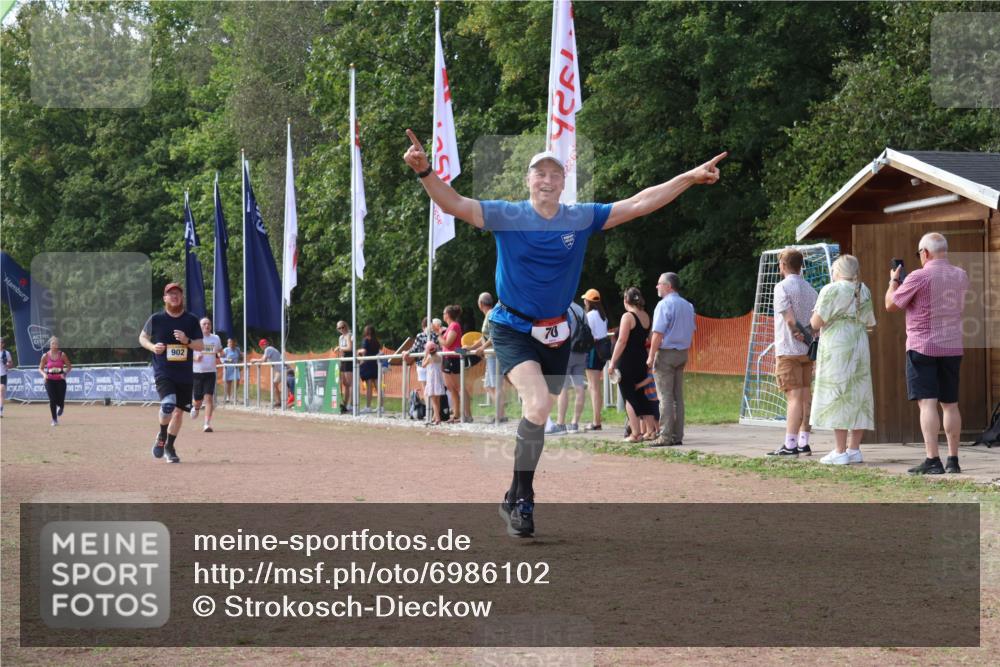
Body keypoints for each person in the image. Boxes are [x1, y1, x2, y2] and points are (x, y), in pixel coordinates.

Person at [404, 128, 725, 537]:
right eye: (540, 173)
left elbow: (640, 203)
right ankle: (523, 500)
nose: (547, 180)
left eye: (555, 174)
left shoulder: (581, 217)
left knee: (536, 414)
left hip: (556, 332)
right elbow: (454, 202)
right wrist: (425, 171)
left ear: (563, 182)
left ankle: (512, 495)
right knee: (538, 406)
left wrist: (690, 176)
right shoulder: (507, 214)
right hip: (511, 326)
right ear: (528, 181)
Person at [886, 232, 970, 475]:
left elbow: (891, 305)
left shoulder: (918, 276)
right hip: (952, 345)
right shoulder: (961, 275)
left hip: (923, 346)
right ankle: (953, 460)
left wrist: (894, 281)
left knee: (927, 404)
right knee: (951, 404)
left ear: (924, 253)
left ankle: (932, 459)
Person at [808, 255, 876, 464]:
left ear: (837, 271)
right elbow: (870, 321)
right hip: (859, 342)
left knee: (838, 392)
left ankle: (839, 451)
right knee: (859, 392)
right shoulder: (863, 289)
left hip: (837, 344)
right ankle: (854, 449)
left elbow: (816, 322)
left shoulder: (831, 289)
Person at [138, 283, 204, 463]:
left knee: (178, 413)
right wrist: (153, 347)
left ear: (182, 298)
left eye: (178, 294)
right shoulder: (156, 319)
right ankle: (161, 436)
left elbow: (200, 345)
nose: (174, 297)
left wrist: (186, 340)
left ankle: (169, 446)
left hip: (184, 373)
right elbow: (142, 337)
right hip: (163, 370)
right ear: (165, 298)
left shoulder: (191, 320)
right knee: (168, 404)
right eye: (171, 294)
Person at [766, 249, 819, 457]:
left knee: (794, 398)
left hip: (788, 349)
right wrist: (808, 337)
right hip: (808, 350)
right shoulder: (811, 289)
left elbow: (788, 319)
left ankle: (790, 444)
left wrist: (799, 333)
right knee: (806, 395)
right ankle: (804, 442)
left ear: (783, 265)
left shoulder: (782, 287)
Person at [647, 273, 696, 447]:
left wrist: (651, 356)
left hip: (666, 353)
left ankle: (665, 435)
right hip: (682, 352)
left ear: (668, 286)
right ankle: (677, 435)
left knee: (665, 396)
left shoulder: (664, 305)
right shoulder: (688, 306)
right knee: (677, 396)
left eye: (659, 284)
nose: (657, 287)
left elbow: (658, 333)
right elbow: (692, 329)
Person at [610, 287, 658, 442]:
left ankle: (635, 433)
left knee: (628, 397)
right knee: (641, 396)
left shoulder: (627, 317)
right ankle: (650, 431)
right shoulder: (646, 316)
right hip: (641, 360)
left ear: (626, 300)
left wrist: (612, 362)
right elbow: (650, 338)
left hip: (627, 361)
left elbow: (622, 341)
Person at [548, 300, 588, 435]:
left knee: (563, 388)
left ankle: (560, 423)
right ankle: (575, 423)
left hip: (566, 352)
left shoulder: (561, 307)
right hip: (581, 351)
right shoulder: (581, 310)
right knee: (579, 387)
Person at [467, 292, 507, 422]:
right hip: (490, 355)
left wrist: (482, 348)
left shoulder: (491, 314)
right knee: (489, 386)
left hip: (494, 354)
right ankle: (500, 414)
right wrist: (472, 347)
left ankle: (499, 415)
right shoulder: (489, 315)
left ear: (481, 304)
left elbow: (494, 335)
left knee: (496, 385)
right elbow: (484, 336)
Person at [581, 289, 609, 431]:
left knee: (593, 387)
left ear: (589, 301)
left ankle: (596, 421)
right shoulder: (603, 316)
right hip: (602, 351)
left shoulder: (589, 315)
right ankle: (596, 419)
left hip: (592, 350)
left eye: (585, 299)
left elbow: (587, 335)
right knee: (596, 386)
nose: (584, 301)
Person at [440, 304, 472, 423]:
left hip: (453, 359)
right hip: (448, 359)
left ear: (447, 315)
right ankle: (456, 415)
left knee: (460, 388)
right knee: (452, 388)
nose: (443, 315)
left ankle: (467, 415)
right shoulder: (450, 327)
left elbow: (448, 343)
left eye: (444, 313)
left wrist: (438, 335)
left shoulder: (454, 325)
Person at [191, 317, 222, 432]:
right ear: (200, 326)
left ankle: (207, 424)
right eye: (204, 324)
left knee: (208, 398)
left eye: (208, 324)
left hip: (210, 372)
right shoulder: (194, 339)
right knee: (198, 399)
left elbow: (219, 351)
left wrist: (221, 355)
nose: (207, 326)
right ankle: (196, 407)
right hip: (197, 372)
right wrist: (195, 357)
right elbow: (187, 354)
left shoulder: (216, 338)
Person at [38, 336, 71, 426]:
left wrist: (64, 374)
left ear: (58, 345)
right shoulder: (45, 356)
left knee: (60, 400)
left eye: (56, 343)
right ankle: (54, 420)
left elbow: (69, 367)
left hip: (60, 381)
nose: (54, 345)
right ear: (50, 345)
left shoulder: (62, 355)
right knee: (52, 400)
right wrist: (44, 375)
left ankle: (61, 407)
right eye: (53, 343)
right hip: (49, 380)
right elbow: (40, 369)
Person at [407, 317, 440, 406]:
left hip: (421, 364)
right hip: (433, 363)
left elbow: (414, 348)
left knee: (425, 388)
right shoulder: (435, 335)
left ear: (423, 326)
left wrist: (406, 352)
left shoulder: (420, 336)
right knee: (434, 388)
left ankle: (428, 409)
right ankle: (434, 410)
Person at [358, 325, 382, 412]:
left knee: (369, 387)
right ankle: (381, 407)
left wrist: (358, 351)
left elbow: (363, 351)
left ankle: (368, 407)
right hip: (375, 364)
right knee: (378, 386)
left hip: (367, 364)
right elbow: (379, 351)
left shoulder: (366, 340)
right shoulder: (376, 341)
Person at [422, 341, 446, 425]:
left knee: (434, 401)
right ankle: (435, 417)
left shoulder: (429, 358)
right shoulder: (440, 356)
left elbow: (423, 365)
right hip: (438, 379)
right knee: (438, 400)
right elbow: (442, 367)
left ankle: (437, 419)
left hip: (432, 380)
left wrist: (425, 355)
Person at [255, 338, 283, 408]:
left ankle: (281, 401)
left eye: (263, 345)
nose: (263, 346)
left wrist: (254, 360)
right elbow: (264, 360)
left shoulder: (268, 349)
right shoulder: (270, 349)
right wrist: (258, 361)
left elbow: (263, 360)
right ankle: (279, 401)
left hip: (282, 370)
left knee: (276, 384)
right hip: (279, 370)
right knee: (275, 384)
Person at [336, 320, 354, 414]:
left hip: (349, 360)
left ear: (346, 326)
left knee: (349, 384)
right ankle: (345, 404)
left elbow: (349, 348)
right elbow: (342, 350)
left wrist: (340, 348)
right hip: (343, 360)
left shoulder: (349, 335)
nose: (341, 329)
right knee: (344, 383)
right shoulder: (340, 337)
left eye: (343, 327)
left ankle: (350, 404)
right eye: (339, 328)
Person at [221, 338, 242, 403]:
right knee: (228, 382)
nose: (231, 344)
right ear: (228, 343)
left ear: (235, 343)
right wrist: (229, 360)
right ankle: (228, 397)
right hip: (228, 367)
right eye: (230, 342)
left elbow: (241, 357)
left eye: (233, 342)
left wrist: (240, 362)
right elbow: (222, 359)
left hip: (236, 367)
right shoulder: (225, 350)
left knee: (237, 380)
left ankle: (234, 396)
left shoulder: (237, 349)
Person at [0, 337, 13, 418]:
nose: (0, 344)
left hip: (3, 375)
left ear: (3, 344)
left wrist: (7, 364)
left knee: (1, 391)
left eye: (1, 343)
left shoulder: (6, 353)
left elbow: (11, 364)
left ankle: (0, 411)